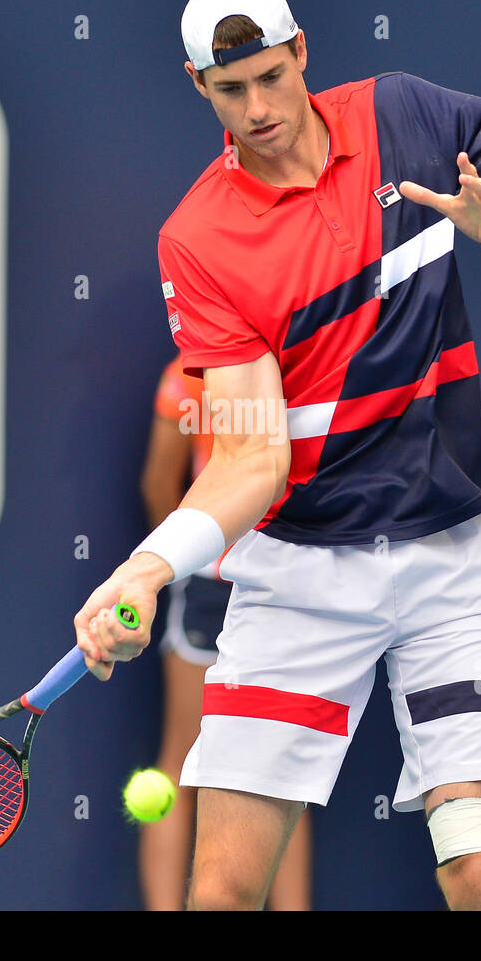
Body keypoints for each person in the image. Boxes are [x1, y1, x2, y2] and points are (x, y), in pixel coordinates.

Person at [74, 0, 481, 910]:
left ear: (300, 54)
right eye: (229, 88)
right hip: (301, 575)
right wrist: (148, 567)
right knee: (223, 895)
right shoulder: (198, 240)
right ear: (197, 86)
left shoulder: (408, 114)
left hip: (460, 559)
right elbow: (252, 457)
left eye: (269, 77)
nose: (257, 108)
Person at [137, 355, 311, 910]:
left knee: (281, 774)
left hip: (277, 585)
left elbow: (159, 482)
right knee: (207, 766)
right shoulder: (186, 378)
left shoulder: (183, 377)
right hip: (228, 583)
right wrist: (193, 557)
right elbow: (160, 483)